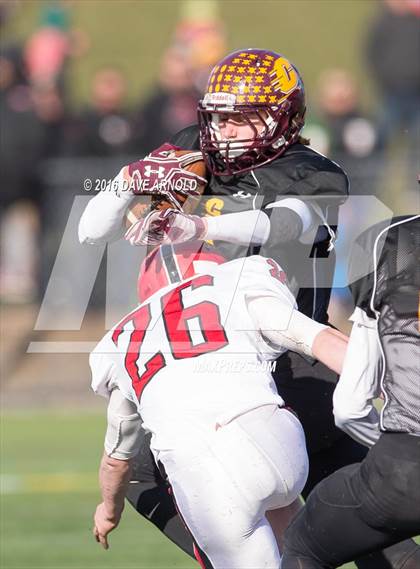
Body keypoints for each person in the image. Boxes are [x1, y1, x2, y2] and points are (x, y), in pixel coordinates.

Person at [80, 48, 415, 567]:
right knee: (148, 474)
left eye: (242, 118)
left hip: (292, 357)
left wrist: (199, 226)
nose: (225, 130)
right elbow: (90, 232)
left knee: (367, 522)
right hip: (216, 356)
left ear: (283, 119)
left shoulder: (312, 171)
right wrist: (129, 180)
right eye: (218, 117)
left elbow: (283, 224)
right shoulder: (194, 148)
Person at [90, 244, 349, 567]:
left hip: (208, 474)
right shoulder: (237, 284)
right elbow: (322, 339)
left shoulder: (125, 338)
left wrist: (108, 511)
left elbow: (117, 460)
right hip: (279, 441)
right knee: (289, 538)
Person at [282, 214, 420, 569]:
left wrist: (393, 449)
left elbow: (350, 407)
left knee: (304, 544)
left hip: (408, 464)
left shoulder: (392, 242)